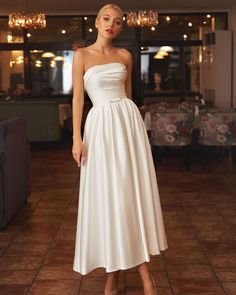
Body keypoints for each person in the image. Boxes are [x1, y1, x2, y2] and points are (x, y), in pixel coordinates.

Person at [72, 3, 168, 295]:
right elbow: (78, 98)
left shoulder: (125, 55)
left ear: (120, 27)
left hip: (127, 125)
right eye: (106, 19)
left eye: (116, 21)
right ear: (97, 22)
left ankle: (142, 272)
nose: (110, 25)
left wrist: (132, 126)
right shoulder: (81, 56)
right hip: (99, 126)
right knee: (108, 195)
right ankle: (113, 274)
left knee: (131, 191)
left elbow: (127, 97)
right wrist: (76, 139)